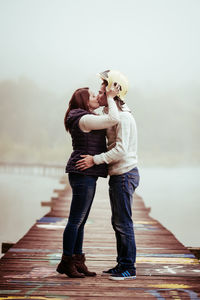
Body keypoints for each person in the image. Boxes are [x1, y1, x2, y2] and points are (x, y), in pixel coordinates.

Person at [76, 70, 140, 280]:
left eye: (104, 90)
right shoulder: (112, 113)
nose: (101, 93)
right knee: (118, 221)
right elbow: (99, 119)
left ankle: (128, 268)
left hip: (125, 174)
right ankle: (122, 263)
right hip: (119, 174)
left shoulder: (123, 117)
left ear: (115, 91)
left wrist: (95, 160)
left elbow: (121, 150)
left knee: (123, 222)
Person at [56, 85, 120, 278]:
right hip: (82, 173)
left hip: (86, 173)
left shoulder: (85, 116)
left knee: (81, 221)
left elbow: (109, 118)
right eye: (92, 96)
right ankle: (66, 262)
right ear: (84, 102)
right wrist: (110, 97)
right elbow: (113, 119)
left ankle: (77, 260)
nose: (95, 97)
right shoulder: (84, 118)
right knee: (75, 220)